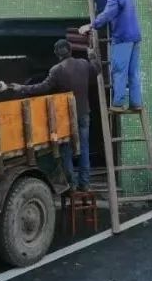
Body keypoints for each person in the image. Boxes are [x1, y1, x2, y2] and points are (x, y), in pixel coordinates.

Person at [11, 40, 100, 192]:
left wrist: (22, 88)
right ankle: (85, 184)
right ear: (71, 50)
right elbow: (97, 69)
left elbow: (42, 88)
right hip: (84, 113)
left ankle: (71, 184)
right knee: (84, 147)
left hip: (65, 117)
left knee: (65, 149)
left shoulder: (57, 70)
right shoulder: (84, 64)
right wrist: (92, 56)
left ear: (57, 54)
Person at [79, 0, 142, 111]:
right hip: (135, 37)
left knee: (119, 70)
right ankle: (136, 103)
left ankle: (118, 103)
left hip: (122, 38)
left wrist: (91, 25)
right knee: (133, 72)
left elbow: (108, 14)